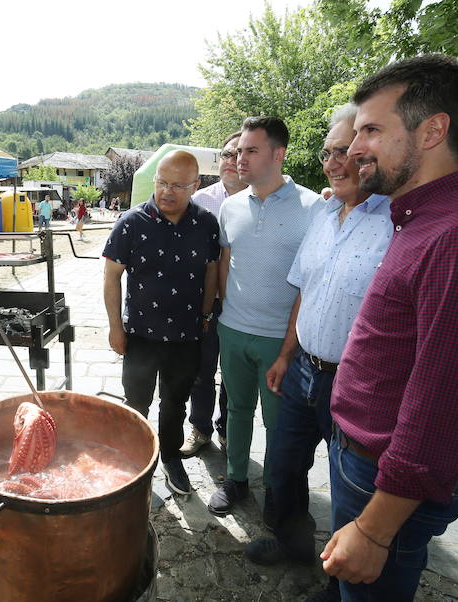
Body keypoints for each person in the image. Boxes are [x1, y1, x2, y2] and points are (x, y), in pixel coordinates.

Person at [320, 54, 458, 601]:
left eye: (372, 129)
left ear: (433, 129)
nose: (355, 147)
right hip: (363, 463)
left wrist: (373, 530)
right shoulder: (423, 220)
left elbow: (438, 403)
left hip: (384, 481)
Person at [243, 105, 392, 602]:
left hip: (355, 381)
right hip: (305, 367)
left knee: (350, 486)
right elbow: (305, 290)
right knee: (283, 466)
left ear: (370, 155)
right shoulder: (325, 215)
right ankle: (293, 543)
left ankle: (340, 580)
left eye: (345, 151)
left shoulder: (396, 222)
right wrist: (287, 354)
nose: (333, 162)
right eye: (328, 152)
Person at [207, 116, 323, 521]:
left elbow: (311, 284)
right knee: (237, 410)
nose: (241, 159)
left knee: (279, 423)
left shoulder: (313, 208)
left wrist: (291, 348)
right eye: (238, 151)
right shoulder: (231, 206)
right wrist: (221, 310)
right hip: (234, 330)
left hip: (280, 339)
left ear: (279, 153)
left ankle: (276, 491)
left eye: (251, 150)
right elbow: (225, 259)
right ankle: (235, 479)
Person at [102, 150, 220, 496]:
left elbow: (212, 269)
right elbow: (111, 277)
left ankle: (170, 459)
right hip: (140, 333)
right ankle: (134, 461)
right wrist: (115, 327)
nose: (167, 191)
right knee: (136, 402)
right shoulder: (131, 222)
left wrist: (206, 315)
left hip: (186, 334)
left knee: (175, 405)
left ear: (195, 185)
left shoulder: (206, 223)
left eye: (178, 186)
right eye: (162, 182)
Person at [179, 131, 246, 457]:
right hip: (204, 302)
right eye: (226, 154)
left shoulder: (261, 201)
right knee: (202, 371)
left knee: (233, 376)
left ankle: (228, 432)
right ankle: (200, 429)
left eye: (238, 154)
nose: (231, 161)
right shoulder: (200, 200)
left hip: (242, 303)